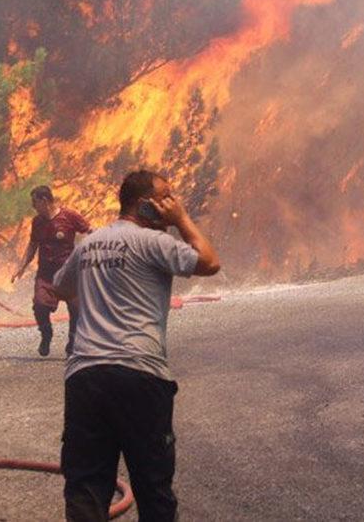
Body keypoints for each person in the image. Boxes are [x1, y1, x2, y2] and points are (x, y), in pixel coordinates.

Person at [52, 170, 221, 522]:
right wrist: (182, 220)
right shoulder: (154, 242)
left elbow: (61, 287)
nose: (171, 205)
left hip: (85, 377)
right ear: (144, 206)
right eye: (165, 200)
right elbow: (209, 262)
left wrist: (99, 309)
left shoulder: (90, 244)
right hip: (140, 376)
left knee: (85, 489)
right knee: (153, 488)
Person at [11, 186, 91, 357]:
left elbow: (89, 232)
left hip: (69, 274)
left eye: (35, 202)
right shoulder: (37, 222)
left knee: (77, 309)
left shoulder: (69, 216)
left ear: (44, 201)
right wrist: (21, 267)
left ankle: (73, 342)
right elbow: (32, 245)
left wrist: (88, 254)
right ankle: (46, 335)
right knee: (39, 306)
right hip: (46, 274)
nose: (33, 206)